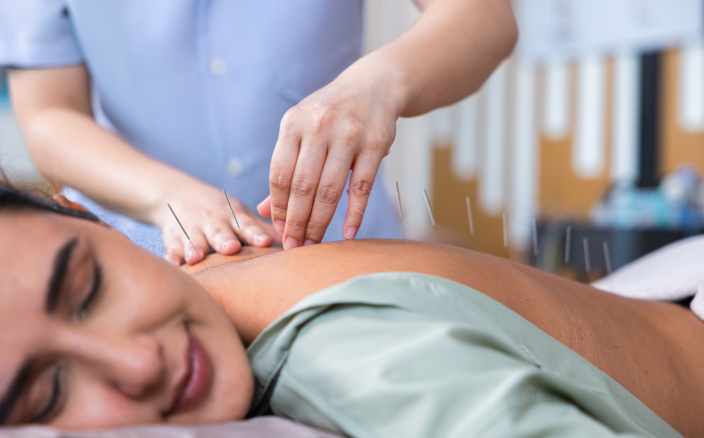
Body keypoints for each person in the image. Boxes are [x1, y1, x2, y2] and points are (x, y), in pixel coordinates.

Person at [0, 183, 702, 437]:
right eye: (48, 392)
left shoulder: (344, 361)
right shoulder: (218, 272)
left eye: (89, 289)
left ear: (85, 215)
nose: (137, 360)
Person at [0, 0, 518, 265]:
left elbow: (481, 5)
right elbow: (49, 114)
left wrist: (381, 81)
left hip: (346, 250)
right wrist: (165, 196)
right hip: (151, 247)